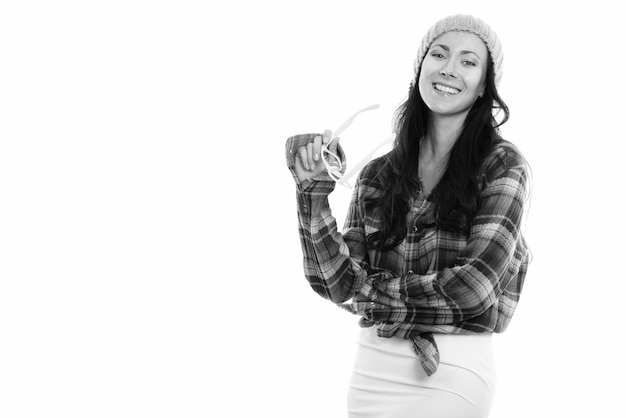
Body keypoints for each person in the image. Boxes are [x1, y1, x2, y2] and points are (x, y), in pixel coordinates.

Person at [285, 14, 530, 418]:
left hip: (451, 372)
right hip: (372, 369)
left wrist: (371, 292)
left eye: (468, 62)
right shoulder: (378, 175)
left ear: (485, 85)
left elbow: (475, 289)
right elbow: (336, 283)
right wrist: (312, 191)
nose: (449, 69)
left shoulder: (502, 166)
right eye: (439, 54)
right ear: (421, 67)